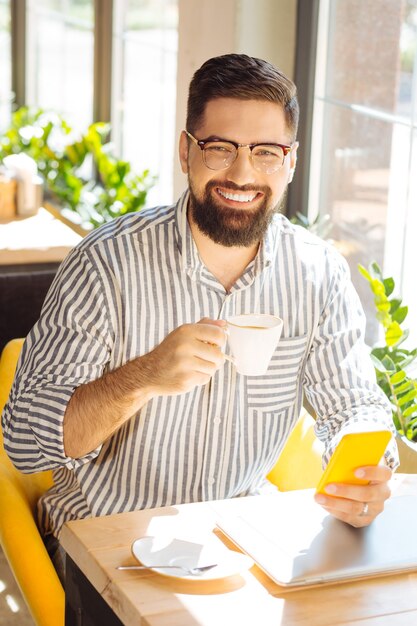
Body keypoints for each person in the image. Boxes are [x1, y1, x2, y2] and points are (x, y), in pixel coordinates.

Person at [2, 54, 397, 582]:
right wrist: (144, 375)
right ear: (186, 151)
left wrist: (369, 469)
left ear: (291, 162)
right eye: (220, 148)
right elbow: (24, 446)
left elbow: (354, 405)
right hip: (109, 546)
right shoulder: (105, 264)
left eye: (266, 152)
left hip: (239, 544)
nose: (242, 173)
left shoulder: (317, 273)